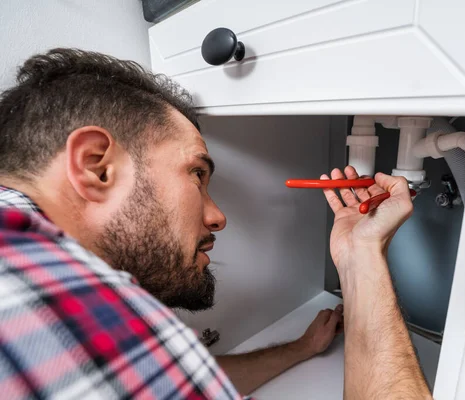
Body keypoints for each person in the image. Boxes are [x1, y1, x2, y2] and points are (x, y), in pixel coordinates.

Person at [0, 49, 430, 399]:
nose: (217, 216)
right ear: (97, 168)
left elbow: (161, 371)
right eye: (197, 174)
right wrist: (364, 256)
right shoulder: (58, 303)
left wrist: (301, 349)